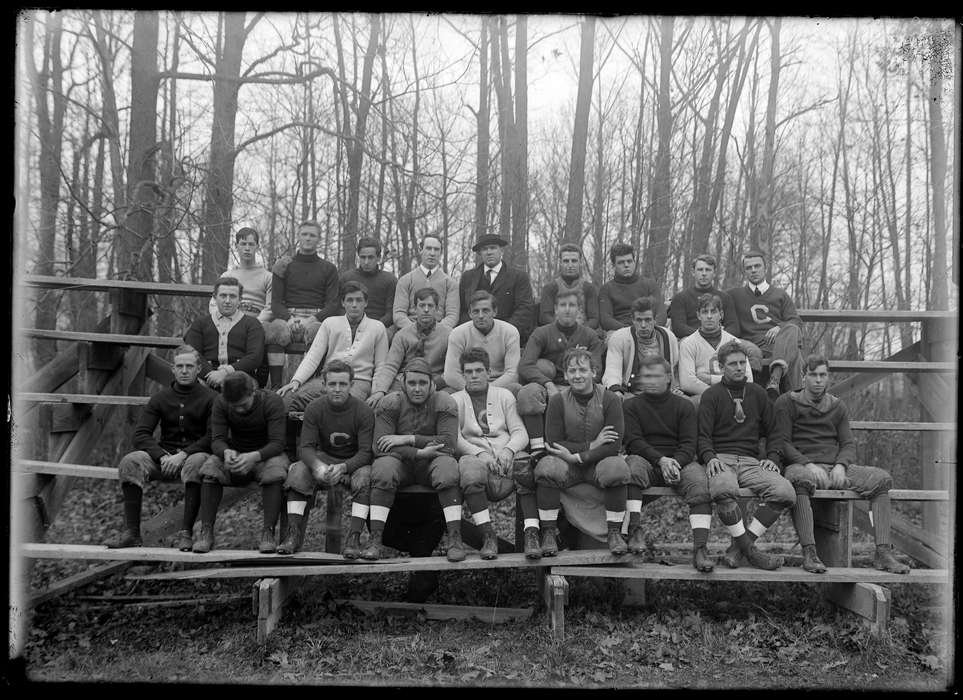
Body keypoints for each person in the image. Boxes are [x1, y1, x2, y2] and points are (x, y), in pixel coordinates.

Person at [774, 355, 910, 574]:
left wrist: (841, 465)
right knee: (799, 480)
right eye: (813, 375)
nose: (818, 380)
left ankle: (883, 553)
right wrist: (808, 464)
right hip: (800, 465)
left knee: (881, 479)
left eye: (823, 375)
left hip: (832, 466)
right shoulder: (787, 402)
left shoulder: (837, 406)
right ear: (803, 376)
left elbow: (847, 444)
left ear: (828, 377)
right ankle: (809, 553)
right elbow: (783, 443)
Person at [105, 345, 215, 551]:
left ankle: (186, 533)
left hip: (193, 459)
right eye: (179, 366)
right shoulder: (160, 398)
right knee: (131, 461)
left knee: (197, 460)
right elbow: (140, 434)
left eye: (189, 366)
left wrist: (182, 455)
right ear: (173, 369)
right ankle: (132, 533)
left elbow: (213, 437)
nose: (184, 371)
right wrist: (162, 456)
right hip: (163, 460)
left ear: (198, 368)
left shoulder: (210, 398)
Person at [697, 340, 794, 570]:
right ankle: (750, 552)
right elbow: (702, 436)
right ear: (721, 367)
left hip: (751, 462)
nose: (739, 368)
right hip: (722, 459)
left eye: (743, 363)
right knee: (722, 489)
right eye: (733, 364)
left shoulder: (758, 394)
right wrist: (710, 457)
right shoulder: (711, 395)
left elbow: (775, 431)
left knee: (785, 492)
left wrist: (772, 457)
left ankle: (739, 547)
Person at [362, 358, 466, 562]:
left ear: (432, 385)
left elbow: (448, 443)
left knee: (447, 467)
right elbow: (380, 446)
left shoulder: (444, 401)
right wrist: (419, 452)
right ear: (403, 383)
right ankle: (375, 539)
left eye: (422, 383)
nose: (417, 389)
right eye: (412, 383)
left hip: (431, 467)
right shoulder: (391, 402)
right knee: (383, 467)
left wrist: (408, 439)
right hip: (403, 466)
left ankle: (454, 538)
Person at [534, 347, 632, 556]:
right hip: (567, 465)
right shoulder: (558, 401)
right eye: (572, 371)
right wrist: (592, 444)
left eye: (582, 370)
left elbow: (613, 445)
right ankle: (549, 533)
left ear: (593, 372)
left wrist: (580, 455)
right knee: (546, 467)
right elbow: (553, 443)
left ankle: (615, 533)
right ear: (566, 374)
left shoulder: (610, 400)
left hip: (598, 464)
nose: (577, 375)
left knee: (617, 467)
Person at [623, 355, 715, 571]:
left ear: (668, 378)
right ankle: (635, 531)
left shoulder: (684, 406)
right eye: (646, 376)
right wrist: (661, 460)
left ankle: (700, 549)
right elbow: (634, 441)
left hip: (679, 462)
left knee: (699, 484)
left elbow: (689, 443)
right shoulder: (631, 406)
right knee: (631, 469)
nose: (651, 380)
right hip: (647, 460)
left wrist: (675, 462)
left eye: (656, 376)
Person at [276, 360, 375, 557]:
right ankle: (293, 535)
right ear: (324, 385)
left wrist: (344, 467)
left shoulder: (363, 411)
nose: (337, 389)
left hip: (354, 462)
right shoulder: (314, 408)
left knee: (365, 478)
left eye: (342, 384)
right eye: (332, 384)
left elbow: (366, 452)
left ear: (351, 385)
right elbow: (306, 447)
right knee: (298, 470)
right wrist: (319, 467)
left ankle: (354, 538)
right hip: (326, 459)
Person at [451, 348, 536, 559]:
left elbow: (519, 431)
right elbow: (456, 438)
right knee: (469, 472)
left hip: (506, 455)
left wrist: (508, 450)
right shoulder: (455, 399)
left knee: (526, 466)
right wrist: (480, 453)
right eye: (468, 371)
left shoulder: (504, 395)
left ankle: (531, 534)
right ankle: (488, 535)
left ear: (488, 372)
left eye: (479, 370)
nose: (474, 375)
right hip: (476, 456)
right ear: (462, 374)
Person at [193, 372, 290, 553]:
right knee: (210, 467)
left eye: (243, 405)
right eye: (234, 406)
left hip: (266, 455)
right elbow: (217, 440)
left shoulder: (272, 401)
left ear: (253, 392)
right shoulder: (220, 402)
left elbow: (278, 443)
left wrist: (254, 456)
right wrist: (226, 452)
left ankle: (268, 532)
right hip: (236, 454)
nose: (238, 410)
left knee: (276, 471)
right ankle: (206, 532)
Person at [517, 289, 603, 460]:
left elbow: (597, 370)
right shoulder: (542, 332)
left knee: (603, 393)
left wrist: (576, 383)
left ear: (579, 310)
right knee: (528, 392)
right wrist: (547, 384)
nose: (567, 310)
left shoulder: (590, 335)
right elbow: (525, 365)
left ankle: (592, 446)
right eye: (563, 305)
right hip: (550, 384)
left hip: (579, 383)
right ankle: (537, 448)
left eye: (572, 305)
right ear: (555, 309)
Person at [276, 280, 389, 410]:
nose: (354, 305)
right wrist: (296, 381)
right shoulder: (330, 323)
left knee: (345, 406)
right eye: (349, 300)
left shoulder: (378, 327)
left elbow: (381, 365)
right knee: (287, 400)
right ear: (342, 302)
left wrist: (377, 392)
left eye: (359, 300)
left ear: (366, 303)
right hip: (327, 379)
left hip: (358, 382)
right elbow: (313, 356)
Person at [263, 220, 341, 388]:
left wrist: (311, 320)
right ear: (298, 237)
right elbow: (275, 303)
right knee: (275, 330)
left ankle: (307, 386)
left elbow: (333, 304)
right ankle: (277, 386)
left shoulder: (328, 268)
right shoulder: (283, 265)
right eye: (304, 234)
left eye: (312, 235)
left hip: (316, 319)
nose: (308, 238)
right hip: (288, 318)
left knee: (319, 333)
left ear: (319, 239)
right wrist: (289, 319)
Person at [726, 250, 803, 399]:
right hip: (751, 345)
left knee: (792, 329)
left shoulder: (780, 295)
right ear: (744, 271)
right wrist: (674, 302)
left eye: (757, 266)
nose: (753, 270)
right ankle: (796, 399)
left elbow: (795, 321)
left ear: (765, 268)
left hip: (777, 344)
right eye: (749, 268)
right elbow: (710, 301)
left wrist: (780, 327)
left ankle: (775, 378)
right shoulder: (734, 295)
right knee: (796, 355)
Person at [368, 287, 452, 406]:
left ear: (437, 309)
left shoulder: (449, 334)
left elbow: (451, 369)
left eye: (430, 306)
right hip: (406, 381)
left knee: (448, 399)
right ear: (414, 309)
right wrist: (380, 390)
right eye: (422, 306)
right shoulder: (402, 335)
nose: (426, 310)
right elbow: (391, 366)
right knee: (386, 402)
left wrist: (433, 384)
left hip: (435, 381)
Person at [184, 276, 265, 390]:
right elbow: (193, 354)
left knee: (238, 390)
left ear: (240, 299)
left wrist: (225, 373)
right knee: (190, 389)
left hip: (242, 377)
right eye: (223, 296)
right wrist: (212, 376)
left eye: (232, 296)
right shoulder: (200, 323)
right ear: (214, 297)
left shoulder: (252, 324)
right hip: (206, 376)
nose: (227, 301)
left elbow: (254, 358)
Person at [678, 293, 754, 406]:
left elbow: (748, 379)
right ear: (698, 315)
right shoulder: (688, 343)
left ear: (721, 314)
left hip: (734, 395)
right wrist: (717, 394)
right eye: (705, 312)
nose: (709, 316)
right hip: (702, 396)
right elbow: (687, 383)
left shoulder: (734, 342)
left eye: (713, 312)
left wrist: (710, 379)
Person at [458, 233, 535, 343]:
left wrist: (502, 333)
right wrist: (473, 333)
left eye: (493, 248)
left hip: (507, 338)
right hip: (473, 338)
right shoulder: (468, 277)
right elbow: (463, 310)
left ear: (501, 251)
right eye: (484, 249)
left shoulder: (518, 277)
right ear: (480, 253)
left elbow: (524, 310)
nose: (489, 252)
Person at [443, 290, 521, 394]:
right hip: (467, 385)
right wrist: (471, 390)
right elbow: (451, 375)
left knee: (516, 388)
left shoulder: (510, 332)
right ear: (470, 314)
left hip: (499, 384)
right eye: (476, 311)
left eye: (485, 311)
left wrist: (488, 391)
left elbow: (513, 373)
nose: (480, 316)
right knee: (445, 396)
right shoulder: (457, 333)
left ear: (495, 311)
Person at [603, 296, 681, 399]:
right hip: (631, 395)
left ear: (655, 320)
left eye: (648, 320)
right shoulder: (619, 338)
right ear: (633, 320)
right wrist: (616, 390)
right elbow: (612, 370)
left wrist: (676, 389)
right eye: (639, 320)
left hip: (664, 394)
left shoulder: (668, 336)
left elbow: (674, 368)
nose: (643, 325)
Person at [392, 235, 460, 332]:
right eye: (428, 248)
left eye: (436, 249)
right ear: (420, 250)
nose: (432, 253)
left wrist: (435, 332)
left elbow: (452, 316)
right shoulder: (405, 280)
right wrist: (414, 330)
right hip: (410, 332)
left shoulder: (450, 283)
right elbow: (399, 314)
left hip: (440, 333)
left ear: (441, 253)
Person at [598, 242, 667, 333]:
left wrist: (649, 328)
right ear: (613, 266)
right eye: (621, 262)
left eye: (629, 261)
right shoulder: (606, 289)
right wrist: (631, 331)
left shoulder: (650, 285)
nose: (626, 265)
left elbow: (661, 313)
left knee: (667, 337)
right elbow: (606, 320)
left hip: (650, 329)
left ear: (634, 262)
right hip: (619, 332)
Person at [668, 254, 738, 339]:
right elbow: (679, 328)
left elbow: (734, 327)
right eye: (700, 270)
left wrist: (718, 336)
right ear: (693, 272)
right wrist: (704, 336)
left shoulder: (725, 298)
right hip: (691, 341)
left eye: (708, 270)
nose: (704, 273)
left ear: (714, 273)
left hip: (721, 340)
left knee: (750, 350)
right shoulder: (680, 298)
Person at [339, 236, 397, 335]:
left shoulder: (390, 280)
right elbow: (339, 307)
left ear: (378, 258)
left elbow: (391, 313)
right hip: (349, 326)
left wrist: (373, 327)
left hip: (378, 327)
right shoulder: (346, 278)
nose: (366, 262)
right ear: (358, 257)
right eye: (363, 257)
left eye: (370, 257)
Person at [538, 243, 601, 332]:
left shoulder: (589, 288)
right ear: (560, 263)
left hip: (583, 333)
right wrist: (563, 329)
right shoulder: (550, 288)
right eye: (566, 261)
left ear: (580, 262)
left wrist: (579, 332)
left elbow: (594, 319)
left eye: (574, 261)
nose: (570, 265)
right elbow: (545, 317)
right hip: (555, 333)